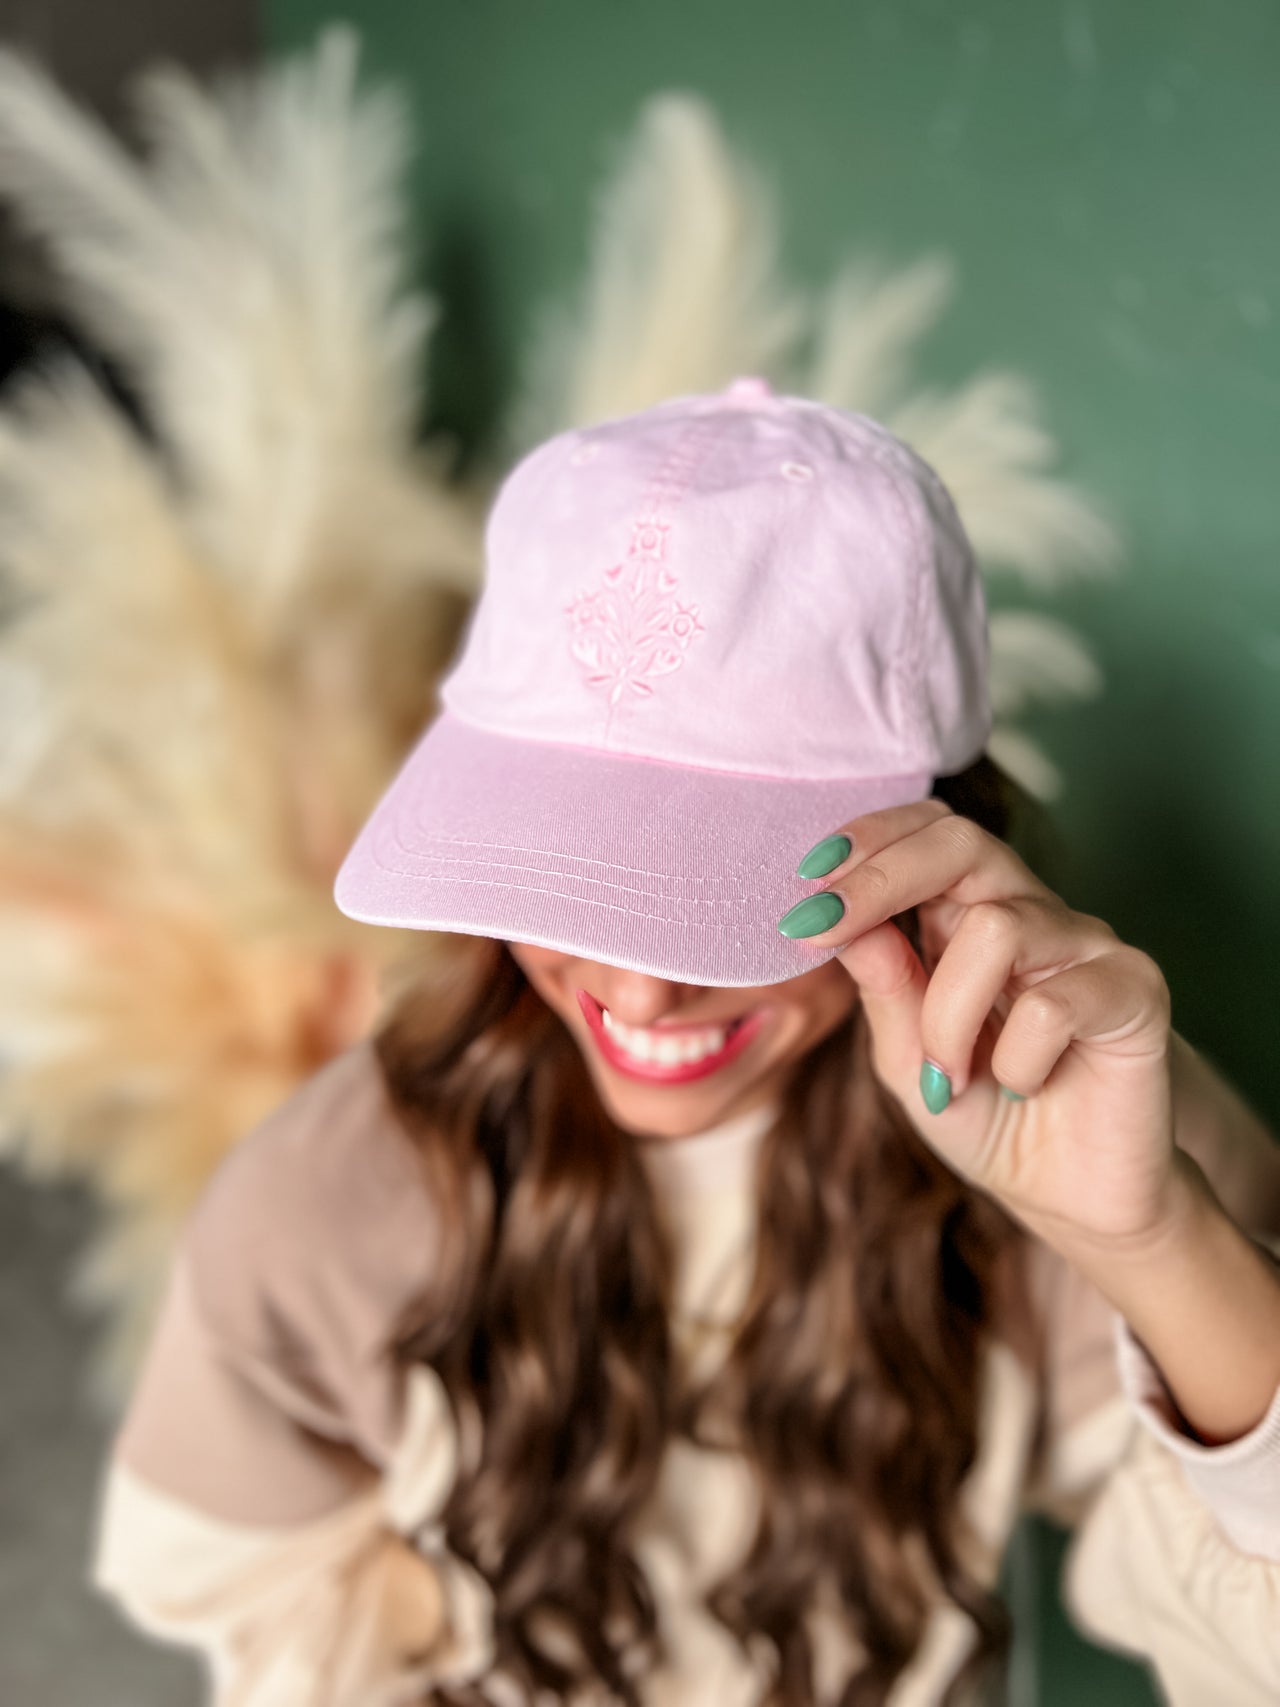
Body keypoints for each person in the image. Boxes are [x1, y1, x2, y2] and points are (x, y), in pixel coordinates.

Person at [89, 379, 1280, 1707]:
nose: (643, 1000)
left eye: (725, 900)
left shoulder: (1085, 1129)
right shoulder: (325, 1202)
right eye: (569, 872)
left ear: (946, 844)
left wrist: (1146, 1239)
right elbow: (244, 1600)